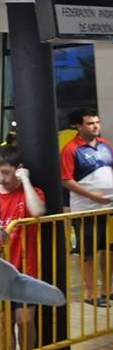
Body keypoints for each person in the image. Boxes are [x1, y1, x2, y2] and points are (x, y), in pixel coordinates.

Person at [0, 144, 46, 350]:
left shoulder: (30, 192)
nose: (2, 178)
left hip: (26, 269)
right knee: (5, 326)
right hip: (0, 272)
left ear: (18, 169)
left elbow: (38, 212)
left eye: (6, 172)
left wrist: (25, 181)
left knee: (25, 321)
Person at [60, 108, 113, 306]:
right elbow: (66, 180)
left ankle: (107, 290)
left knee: (109, 249)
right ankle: (91, 294)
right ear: (78, 126)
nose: (95, 126)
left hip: (108, 207)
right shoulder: (70, 149)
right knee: (88, 252)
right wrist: (92, 196)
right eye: (90, 123)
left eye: (97, 122)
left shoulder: (105, 144)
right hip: (86, 210)